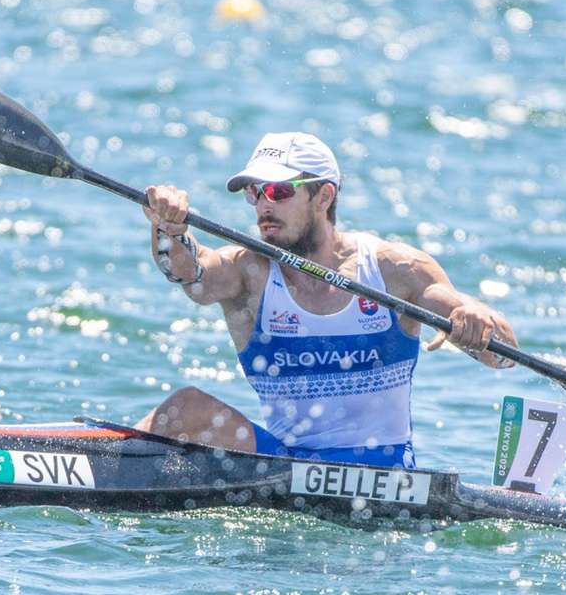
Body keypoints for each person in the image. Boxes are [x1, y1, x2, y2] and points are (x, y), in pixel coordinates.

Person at [135, 132, 517, 469]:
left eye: (279, 191)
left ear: (324, 196)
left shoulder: (393, 270)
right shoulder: (247, 274)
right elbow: (190, 271)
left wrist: (478, 321)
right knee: (185, 409)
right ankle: (95, 464)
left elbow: (500, 354)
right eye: (255, 193)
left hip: (385, 474)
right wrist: (167, 226)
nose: (263, 206)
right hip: (284, 467)